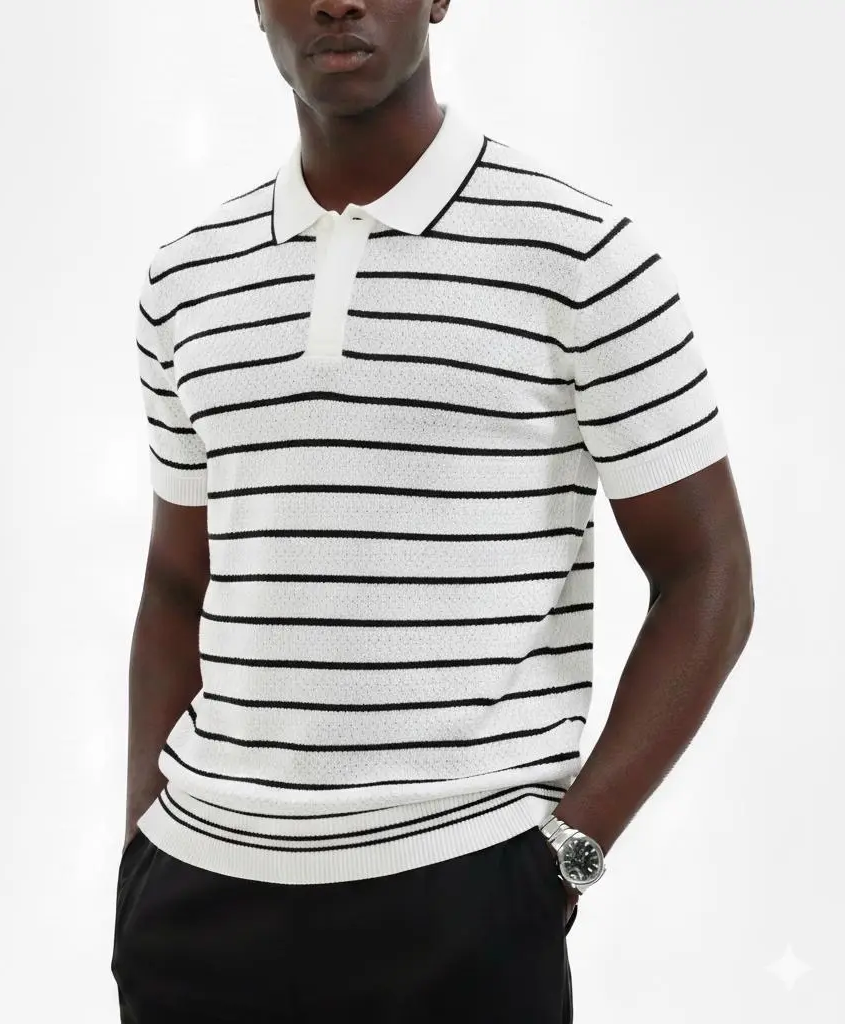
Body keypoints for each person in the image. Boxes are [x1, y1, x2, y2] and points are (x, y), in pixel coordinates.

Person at [111, 1, 754, 1020]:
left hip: (463, 896)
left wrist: (569, 852)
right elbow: (176, 581)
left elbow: (708, 574)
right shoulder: (187, 278)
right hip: (198, 902)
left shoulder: (581, 255)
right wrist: (140, 842)